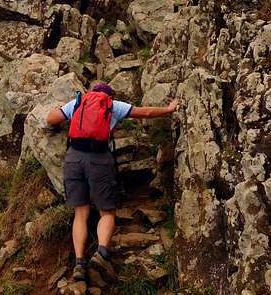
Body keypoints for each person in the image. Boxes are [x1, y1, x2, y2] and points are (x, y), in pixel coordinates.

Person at [45, 82, 179, 283]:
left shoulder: (78, 102)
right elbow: (145, 112)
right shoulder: (112, 105)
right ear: (109, 95)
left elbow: (50, 119)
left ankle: (80, 262)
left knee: (80, 213)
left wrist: (57, 111)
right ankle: (102, 253)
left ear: (92, 92)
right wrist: (168, 109)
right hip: (99, 158)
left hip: (74, 158)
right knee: (106, 211)